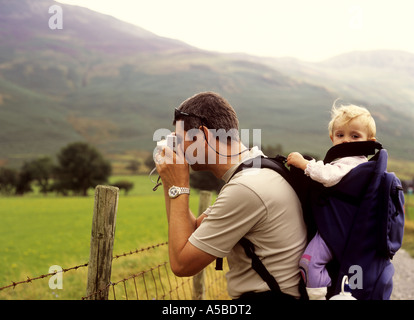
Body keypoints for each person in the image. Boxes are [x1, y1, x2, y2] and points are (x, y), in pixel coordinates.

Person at [154, 91, 307, 299]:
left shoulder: (247, 188)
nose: (178, 148)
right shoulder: (257, 168)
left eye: (180, 140)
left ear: (203, 136)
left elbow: (182, 264)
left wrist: (178, 185)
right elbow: (194, 234)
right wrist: (169, 183)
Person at [286, 103, 377, 300]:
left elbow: (328, 176)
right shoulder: (363, 165)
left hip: (335, 229)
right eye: (340, 135)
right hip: (342, 226)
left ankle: (320, 296)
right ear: (332, 138)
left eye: (355, 136)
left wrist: (304, 163)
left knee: (309, 263)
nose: (346, 141)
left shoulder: (353, 162)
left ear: (369, 141)